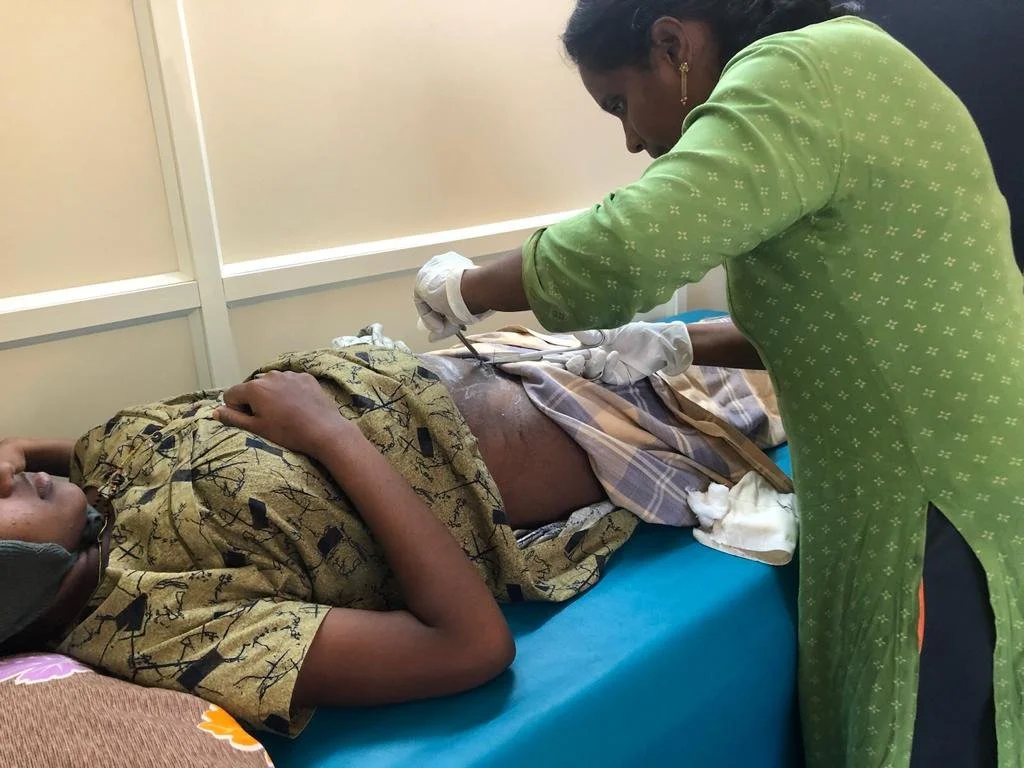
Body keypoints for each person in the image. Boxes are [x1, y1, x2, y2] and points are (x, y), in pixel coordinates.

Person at [412, 2, 1024, 766]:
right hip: (948, 461)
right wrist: (676, 345)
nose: (633, 139)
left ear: (674, 46)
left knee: (915, 731)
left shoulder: (796, 72)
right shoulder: (852, 68)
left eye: (620, 104)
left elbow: (622, 251)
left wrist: (468, 287)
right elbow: (839, 316)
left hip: (928, 491)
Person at [0, 323, 781, 738]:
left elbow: (105, 460)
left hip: (487, 358)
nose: (7, 469)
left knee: (722, 329)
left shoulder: (90, 490)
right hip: (575, 433)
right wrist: (332, 433)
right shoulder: (161, 626)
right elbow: (471, 649)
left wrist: (33, 452)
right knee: (814, 363)